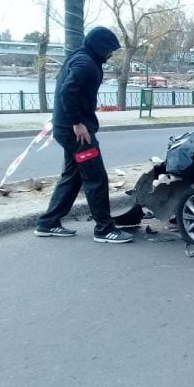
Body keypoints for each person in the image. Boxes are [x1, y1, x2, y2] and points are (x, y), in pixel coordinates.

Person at [34, 26, 133, 244]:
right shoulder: (85, 63)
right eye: (109, 50)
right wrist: (77, 123)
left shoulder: (80, 57)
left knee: (73, 176)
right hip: (77, 133)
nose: (110, 55)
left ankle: (48, 222)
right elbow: (67, 91)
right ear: (98, 47)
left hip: (66, 129)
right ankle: (105, 229)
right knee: (96, 176)